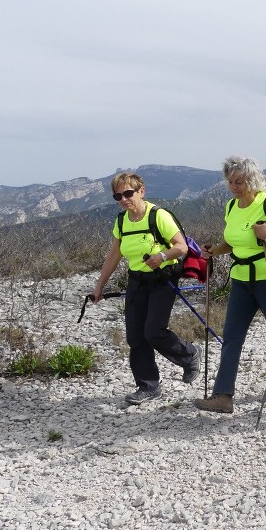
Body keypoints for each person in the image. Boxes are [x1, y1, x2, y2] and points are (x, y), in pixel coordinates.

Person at [194, 156, 266, 414]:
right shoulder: (231, 207)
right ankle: (223, 396)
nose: (234, 185)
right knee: (231, 337)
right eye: (230, 180)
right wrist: (214, 250)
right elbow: (233, 243)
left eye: (239, 180)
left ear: (252, 180)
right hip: (241, 279)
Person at [92, 172, 201, 405]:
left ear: (141, 191)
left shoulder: (158, 216)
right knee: (135, 336)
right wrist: (100, 285)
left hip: (163, 279)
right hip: (137, 281)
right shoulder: (121, 221)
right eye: (118, 195)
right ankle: (148, 386)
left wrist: (161, 256)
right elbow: (114, 254)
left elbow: (181, 247)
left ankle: (189, 354)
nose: (123, 199)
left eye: (128, 193)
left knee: (153, 332)